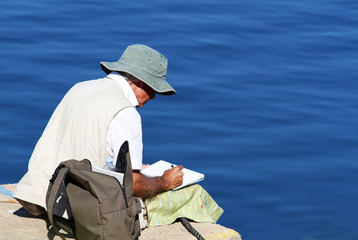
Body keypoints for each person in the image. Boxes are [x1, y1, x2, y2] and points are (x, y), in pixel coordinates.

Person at [13, 44, 184, 216]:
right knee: (186, 198)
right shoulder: (126, 112)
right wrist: (164, 181)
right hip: (72, 210)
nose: (154, 96)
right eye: (154, 89)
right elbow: (133, 184)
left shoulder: (80, 88)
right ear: (140, 81)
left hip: (36, 195)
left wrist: (132, 167)